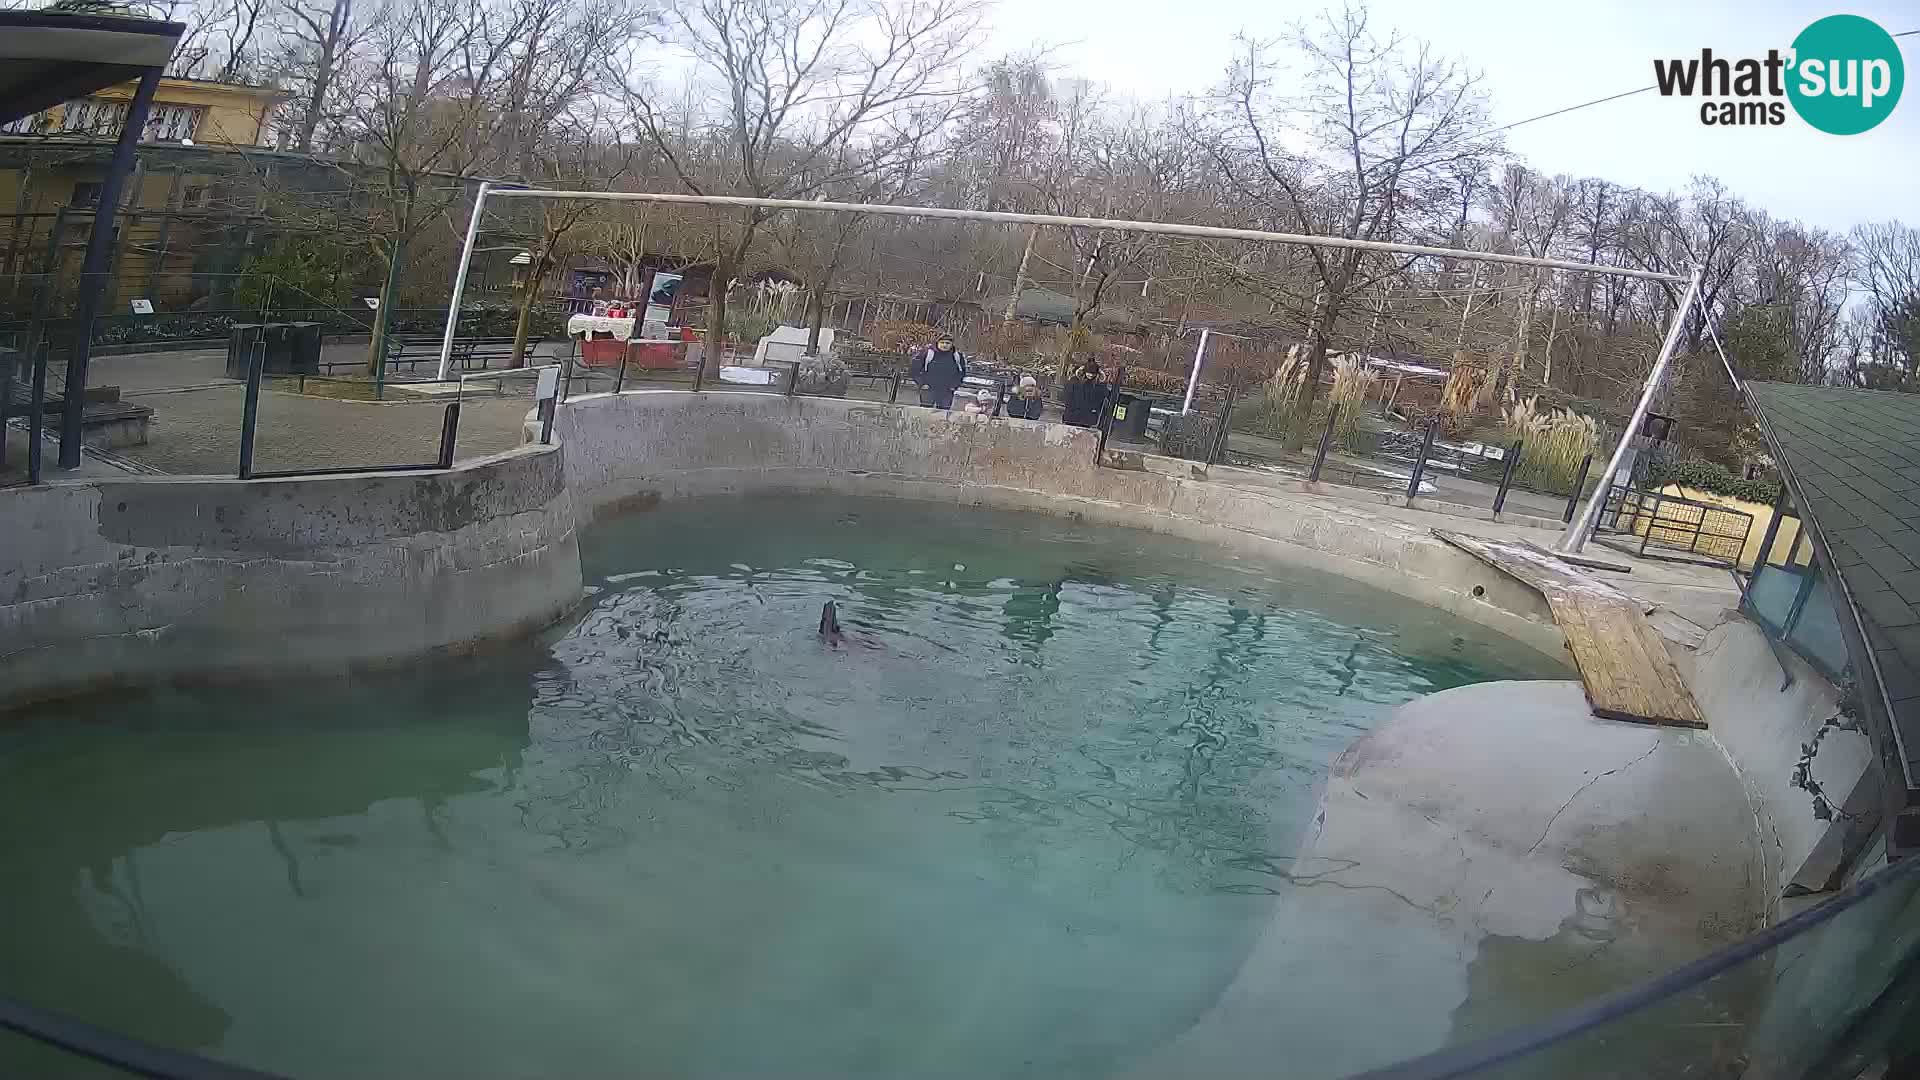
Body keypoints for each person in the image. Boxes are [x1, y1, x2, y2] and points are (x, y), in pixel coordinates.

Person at [909, 334, 967, 409]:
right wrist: (921, 383)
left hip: (947, 391)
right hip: (929, 388)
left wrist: (954, 386)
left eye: (947, 343)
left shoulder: (957, 356)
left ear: (952, 344)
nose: (944, 345)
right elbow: (915, 369)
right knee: (925, 411)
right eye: (942, 343)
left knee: (944, 413)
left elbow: (961, 373)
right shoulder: (927, 353)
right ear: (937, 343)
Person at [1061, 357, 1108, 427]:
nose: (1091, 375)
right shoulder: (1074, 382)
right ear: (1085, 372)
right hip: (1072, 415)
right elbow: (1067, 396)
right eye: (1089, 373)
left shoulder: (1098, 385)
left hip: (1087, 418)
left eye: (1093, 373)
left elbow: (1101, 399)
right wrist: (1070, 407)